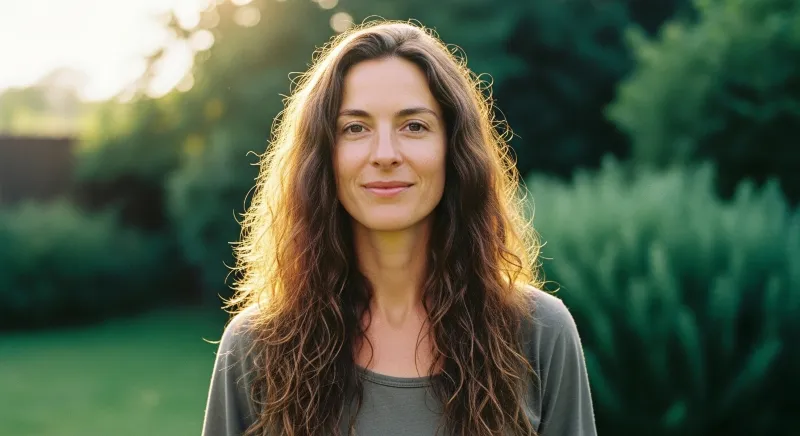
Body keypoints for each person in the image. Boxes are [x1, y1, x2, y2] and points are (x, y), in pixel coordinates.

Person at [202, 20, 597, 436]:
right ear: (323, 157)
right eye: (355, 128)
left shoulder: (539, 333)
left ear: (454, 149)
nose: (385, 154)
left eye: (414, 126)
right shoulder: (256, 347)